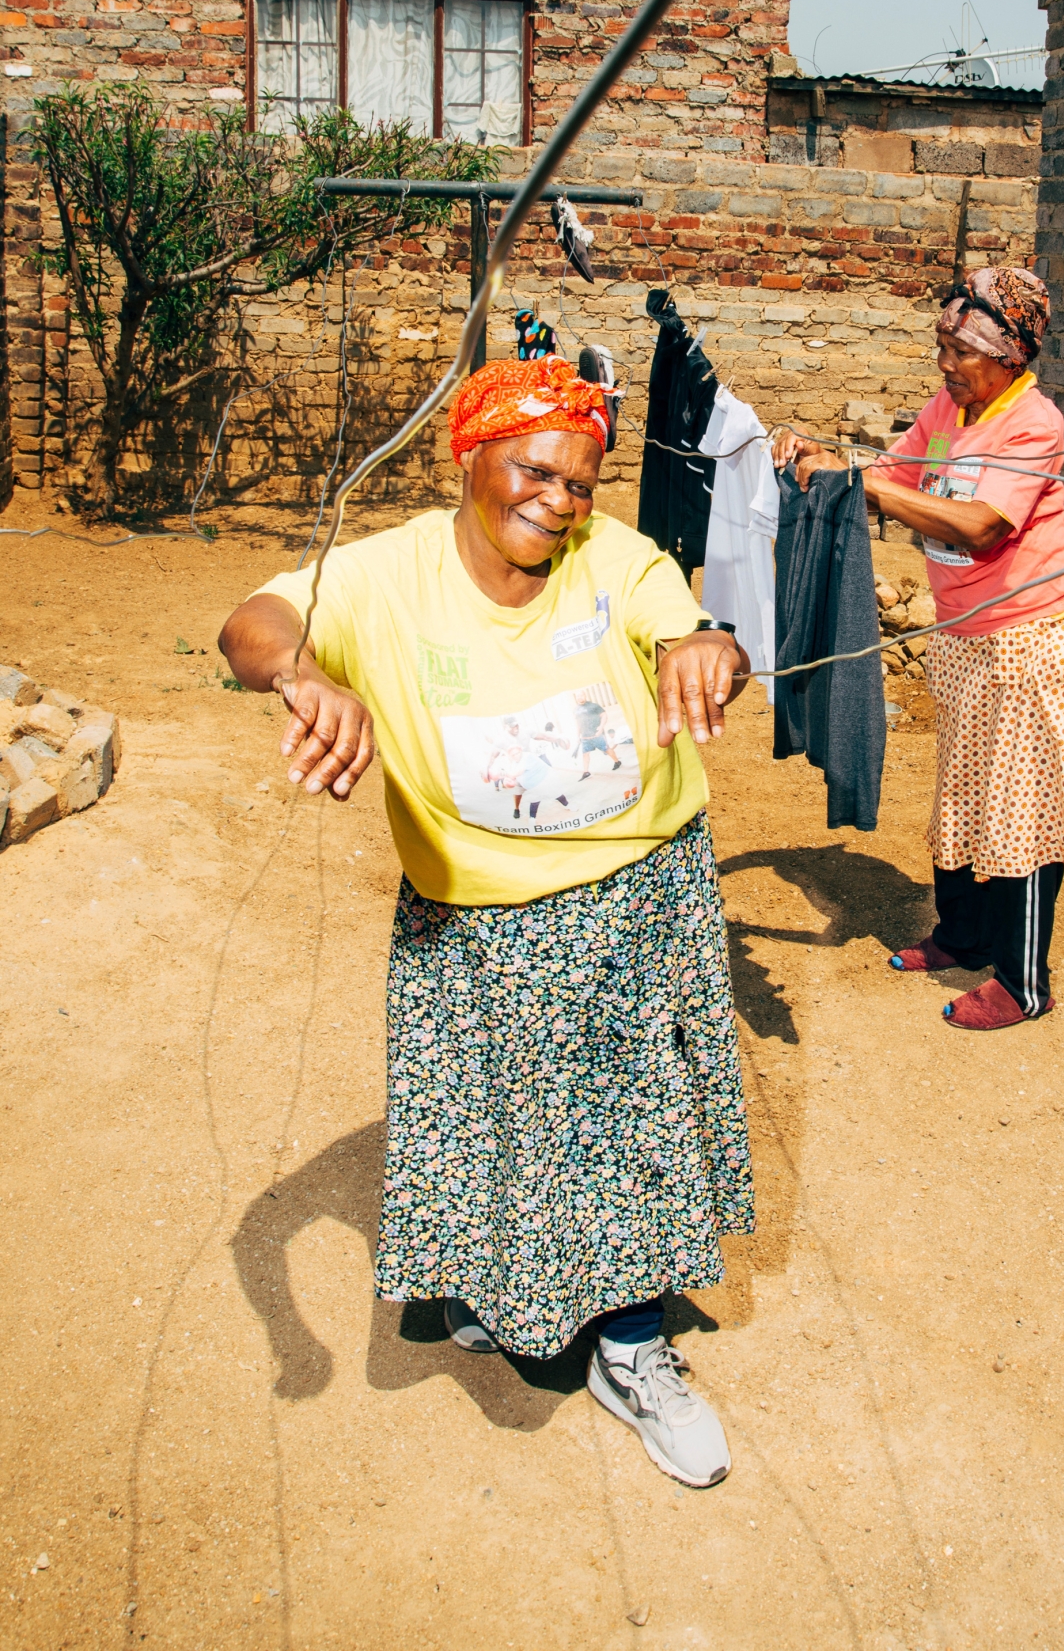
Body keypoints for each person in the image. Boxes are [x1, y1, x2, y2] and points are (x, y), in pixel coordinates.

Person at [218, 355, 753, 1487]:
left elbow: (688, 624)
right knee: (491, 1118)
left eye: (581, 484)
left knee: (630, 1131)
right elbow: (253, 623)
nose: (558, 501)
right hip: (478, 917)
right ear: (471, 456)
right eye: (536, 470)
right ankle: (503, 1287)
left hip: (634, 889)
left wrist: (708, 645)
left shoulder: (611, 557)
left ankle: (633, 1345)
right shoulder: (388, 573)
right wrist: (306, 677)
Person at [773, 267, 1064, 1031]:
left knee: (1024, 810)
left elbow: (979, 526)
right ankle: (962, 936)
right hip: (970, 640)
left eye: (960, 349)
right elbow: (891, 473)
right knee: (964, 793)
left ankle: (1023, 981)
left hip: (1039, 638)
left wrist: (858, 485)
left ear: (1008, 355)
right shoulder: (949, 408)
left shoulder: (1034, 423)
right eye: (942, 343)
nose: (945, 362)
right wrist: (824, 465)